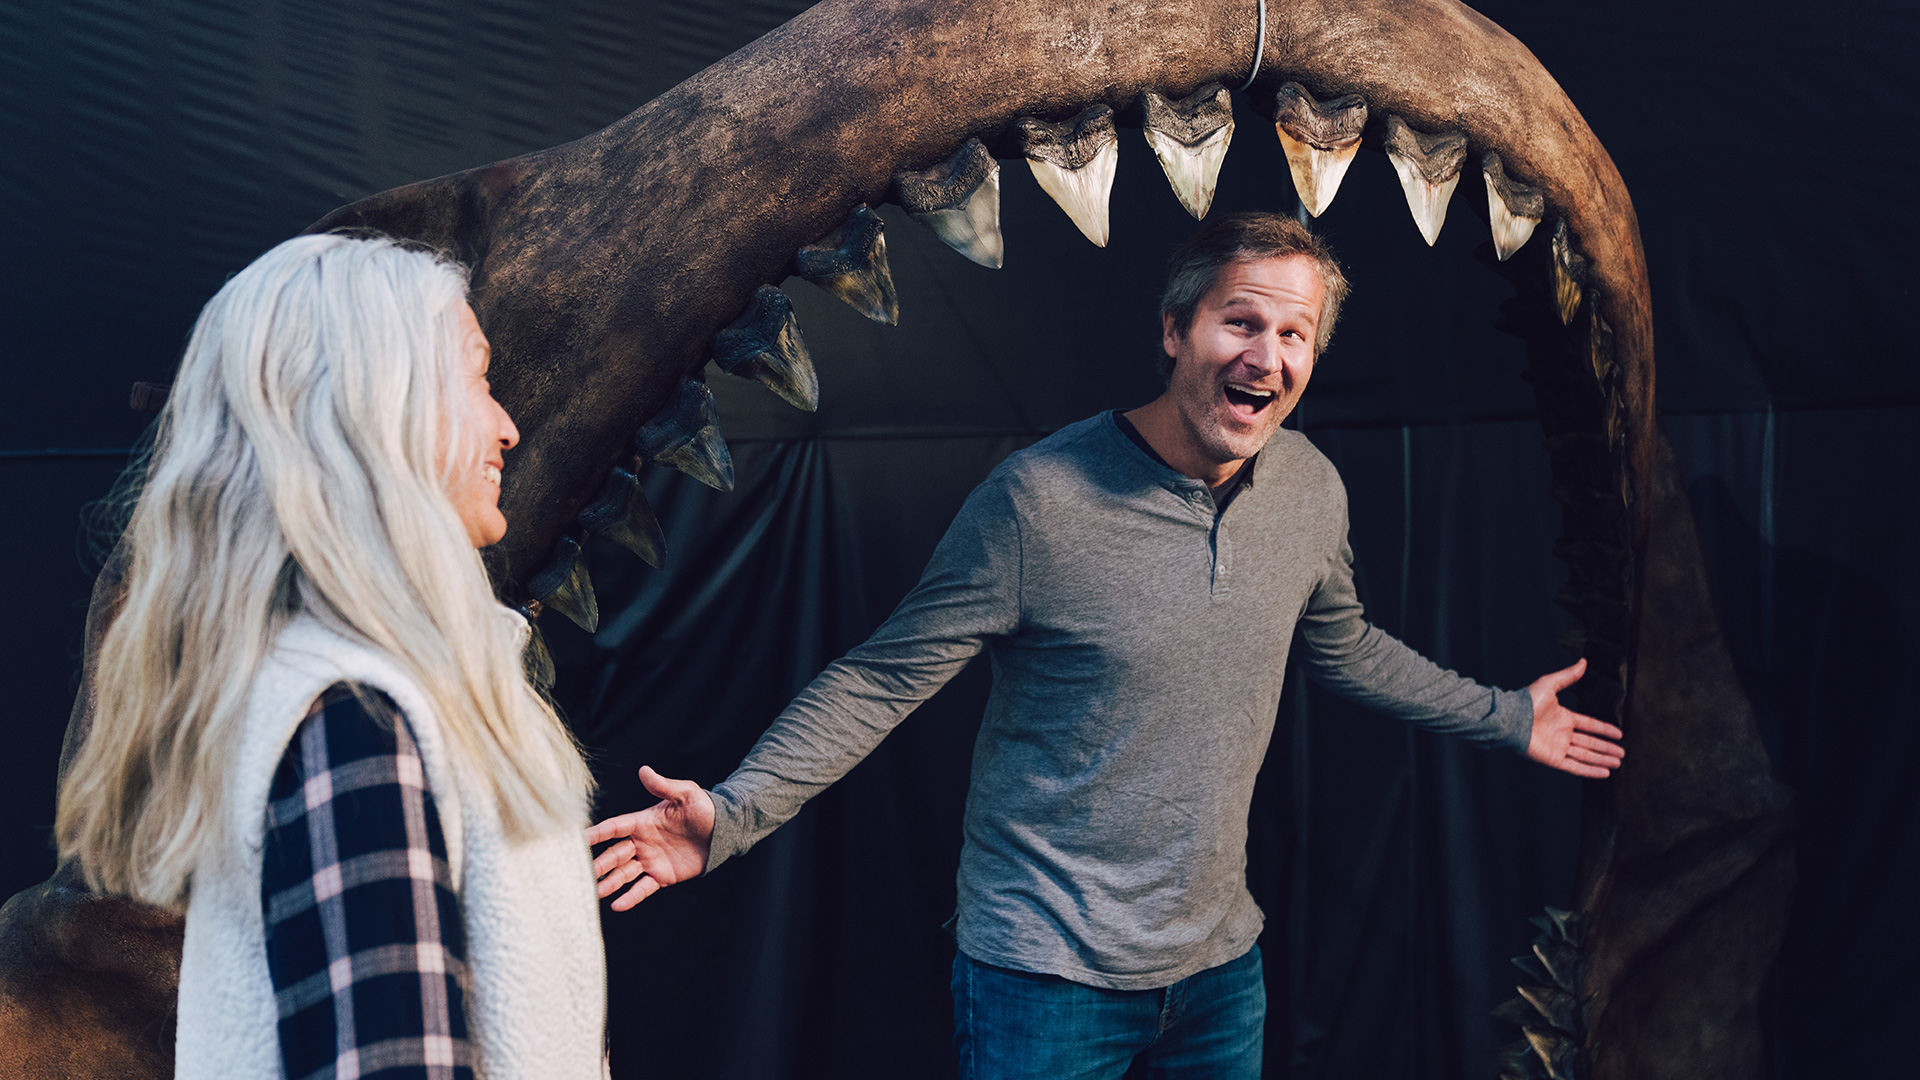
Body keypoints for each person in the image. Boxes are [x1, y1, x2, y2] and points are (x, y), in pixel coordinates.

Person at [585, 212, 1625, 1079]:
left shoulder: (1308, 488)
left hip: (1220, 975)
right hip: (1044, 979)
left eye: (1295, 334)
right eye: (1240, 321)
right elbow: (881, 678)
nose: (1267, 356)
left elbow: (1343, 647)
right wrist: (733, 814)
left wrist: (1505, 716)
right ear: (1176, 331)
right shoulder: (1038, 503)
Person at [55, 234, 607, 1080]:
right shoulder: (352, 713)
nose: (507, 425)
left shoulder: (379, 694)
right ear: (374, 406)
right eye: (477, 378)